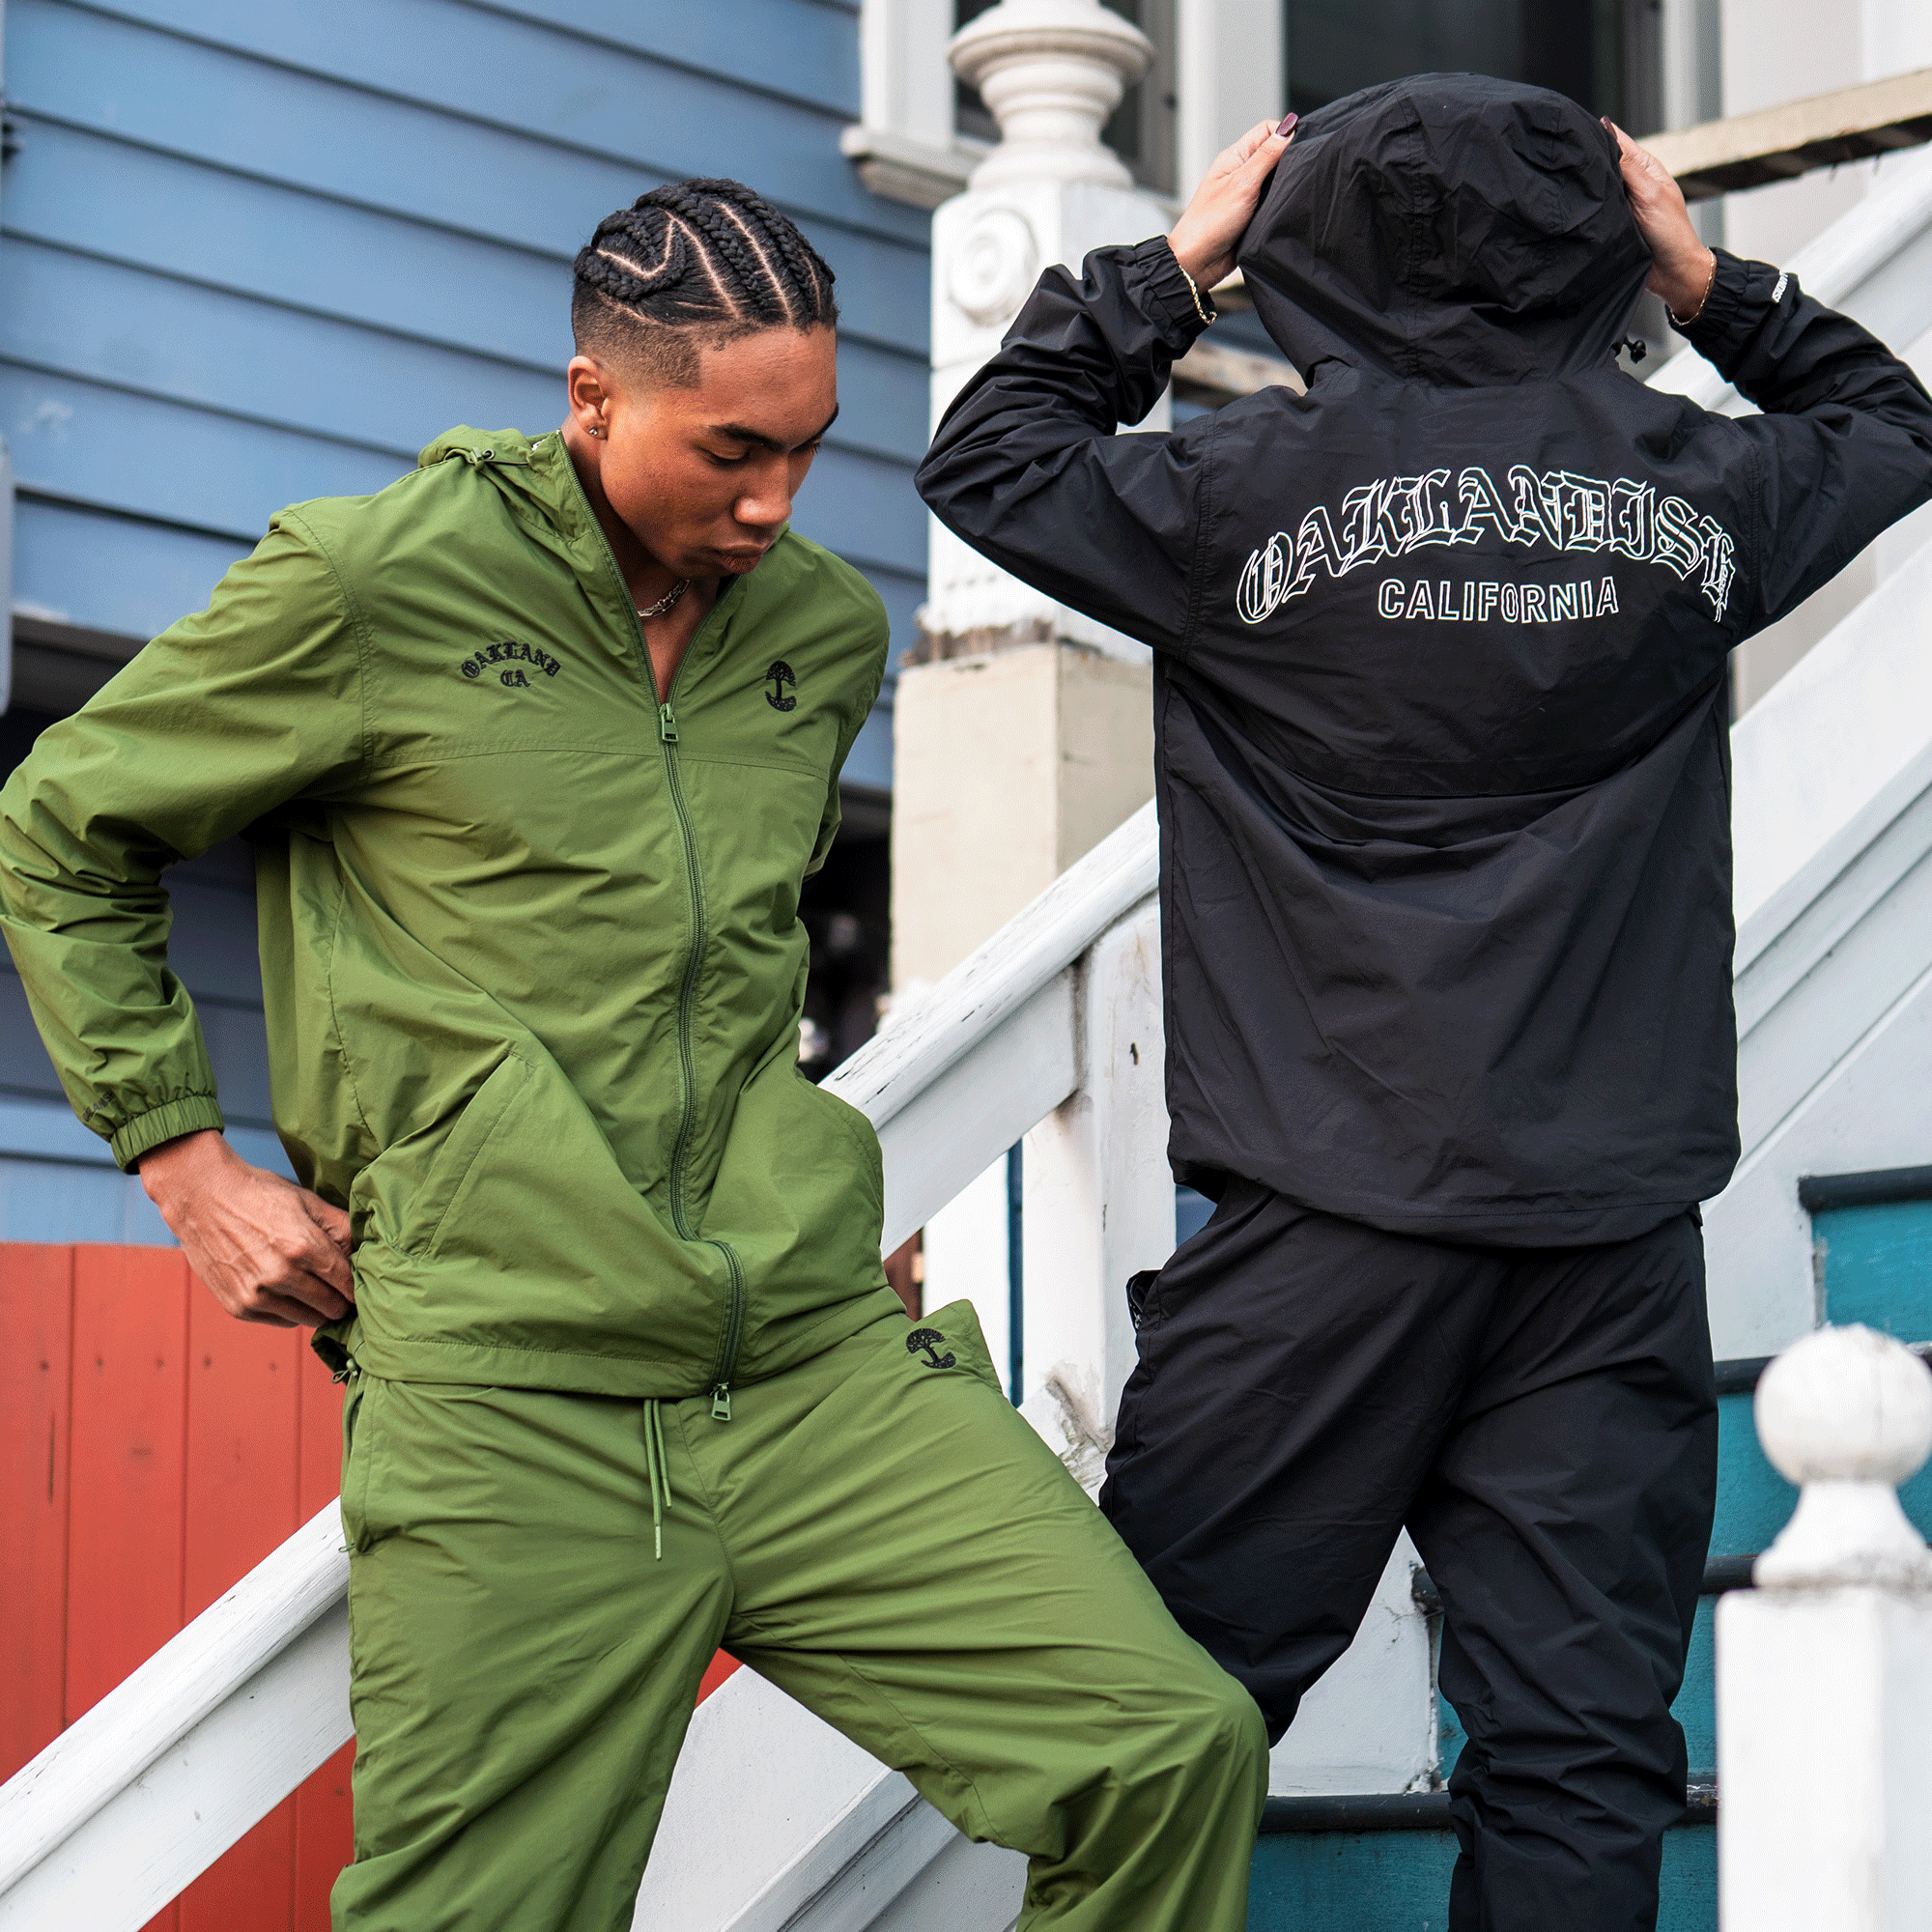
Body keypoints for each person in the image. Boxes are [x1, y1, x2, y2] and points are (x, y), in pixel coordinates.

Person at [0, 178, 1266, 1931]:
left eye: (809, 452)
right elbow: (62, 827)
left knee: (1165, 1749)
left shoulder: (818, 638)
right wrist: (182, 1161)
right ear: (593, 399)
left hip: (812, 1361)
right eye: (731, 449)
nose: (774, 502)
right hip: (518, 1396)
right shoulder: (370, 586)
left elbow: (720, 972)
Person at [917, 74, 1932, 1932]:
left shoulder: (1236, 498)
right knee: (1579, 1752)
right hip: (1605, 1228)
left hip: (1321, 1224)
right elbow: (1889, 419)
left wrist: (1166, 267)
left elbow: (988, 460)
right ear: (1601, 242)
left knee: (1164, 1713)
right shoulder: (1691, 489)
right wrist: (1710, 288)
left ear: (1302, 245)